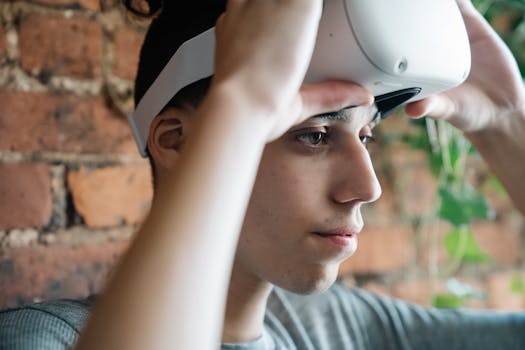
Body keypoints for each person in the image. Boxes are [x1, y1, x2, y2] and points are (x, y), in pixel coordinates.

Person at [1, 0, 524, 349]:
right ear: (175, 142)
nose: (367, 188)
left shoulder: (335, 329)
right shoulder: (38, 339)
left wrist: (509, 125)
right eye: (315, 134)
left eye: (365, 135)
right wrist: (242, 100)